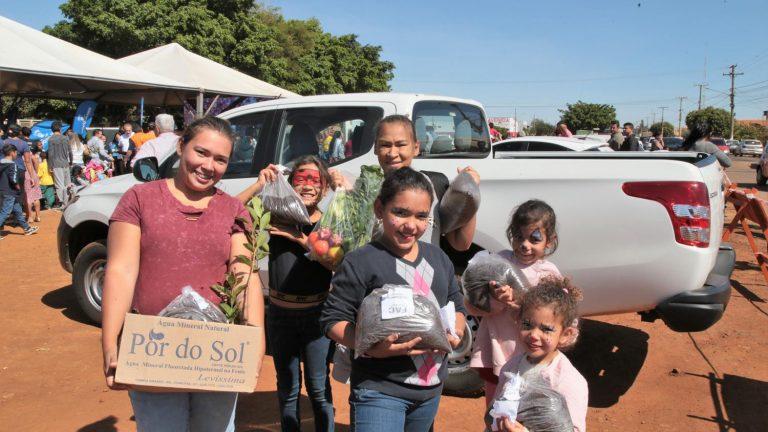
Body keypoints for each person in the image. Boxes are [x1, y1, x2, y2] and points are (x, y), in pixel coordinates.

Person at [101, 116, 265, 431]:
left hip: (217, 353)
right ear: (180, 147)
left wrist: (255, 343)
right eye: (201, 152)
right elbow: (121, 271)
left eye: (220, 159)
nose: (208, 165)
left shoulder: (234, 209)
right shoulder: (139, 199)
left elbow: (244, 277)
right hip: (152, 349)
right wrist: (110, 344)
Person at [321, 167, 466, 432]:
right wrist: (370, 347)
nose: (411, 225)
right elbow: (332, 321)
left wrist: (455, 329)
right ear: (379, 209)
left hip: (430, 391)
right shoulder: (361, 261)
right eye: (400, 212)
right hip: (380, 390)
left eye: (421, 216)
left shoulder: (439, 259)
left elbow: (455, 303)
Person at [239, 156, 336, 432]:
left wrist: (299, 238)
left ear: (325, 187)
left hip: (316, 315)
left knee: (318, 388)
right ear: (290, 183)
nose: (307, 185)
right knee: (288, 387)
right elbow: (230, 212)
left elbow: (335, 262)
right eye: (300, 179)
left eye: (315, 180)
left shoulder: (329, 221)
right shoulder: (276, 213)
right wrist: (259, 185)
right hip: (280, 316)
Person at [467, 199, 562, 407]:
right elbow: (471, 305)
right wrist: (496, 300)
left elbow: (558, 316)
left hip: (531, 356)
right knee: (495, 411)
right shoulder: (498, 263)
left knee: (526, 411)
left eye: (534, 239)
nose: (525, 245)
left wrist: (518, 303)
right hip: (496, 352)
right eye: (519, 237)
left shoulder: (549, 274)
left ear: (549, 241)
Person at [364, 114, 480, 251]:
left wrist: (470, 192)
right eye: (385, 145)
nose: (392, 153)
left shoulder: (435, 184)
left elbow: (460, 243)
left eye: (401, 144)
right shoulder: (366, 191)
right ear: (376, 148)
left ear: (416, 147)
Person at [489, 277, 588, 432]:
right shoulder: (511, 366)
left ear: (565, 334)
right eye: (527, 325)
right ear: (518, 320)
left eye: (546, 329)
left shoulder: (568, 380)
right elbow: (495, 408)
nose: (534, 335)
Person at [0, 144, 39, 238]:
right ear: (12, 153)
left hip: (4, 190)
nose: (17, 154)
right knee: (5, 212)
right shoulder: (12, 165)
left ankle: (27, 228)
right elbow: (13, 179)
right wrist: (18, 187)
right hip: (10, 192)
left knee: (17, 210)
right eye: (16, 152)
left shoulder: (1, 163)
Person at [47, 121, 73, 209]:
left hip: (56, 164)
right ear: (60, 128)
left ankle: (63, 203)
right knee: (67, 184)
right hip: (66, 163)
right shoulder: (66, 138)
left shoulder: (51, 139)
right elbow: (70, 151)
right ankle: (68, 202)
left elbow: (50, 154)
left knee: (59, 185)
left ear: (52, 129)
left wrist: (50, 166)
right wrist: (71, 162)